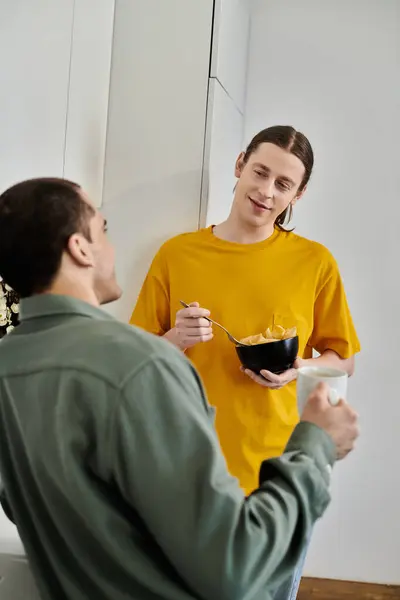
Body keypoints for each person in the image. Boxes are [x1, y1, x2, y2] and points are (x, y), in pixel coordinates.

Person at [0, 177, 359, 600]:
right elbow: (236, 566)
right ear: (80, 249)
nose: (112, 248)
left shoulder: (9, 367)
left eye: (285, 183)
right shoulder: (140, 364)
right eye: (105, 230)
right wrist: (316, 444)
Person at [130, 125, 361, 599]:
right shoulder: (177, 254)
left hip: (278, 471)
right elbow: (133, 358)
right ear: (239, 166)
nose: (265, 192)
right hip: (186, 467)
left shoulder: (315, 263)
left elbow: (344, 361)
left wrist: (300, 370)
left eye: (283, 184)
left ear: (299, 193)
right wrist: (174, 338)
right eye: (260, 173)